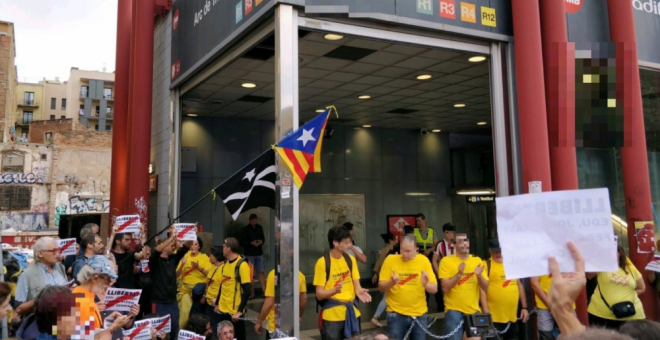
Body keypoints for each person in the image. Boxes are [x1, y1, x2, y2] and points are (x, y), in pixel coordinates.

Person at [314, 226, 372, 340]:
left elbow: (357, 285)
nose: (349, 245)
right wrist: (334, 291)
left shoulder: (350, 259)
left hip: (352, 313)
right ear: (335, 243)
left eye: (350, 242)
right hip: (332, 317)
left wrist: (360, 291)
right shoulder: (322, 263)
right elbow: (319, 294)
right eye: (346, 243)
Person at [378, 236, 437, 340]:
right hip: (395, 313)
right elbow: (381, 287)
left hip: (419, 314)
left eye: (408, 251)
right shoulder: (390, 260)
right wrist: (392, 282)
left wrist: (425, 284)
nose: (404, 254)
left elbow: (434, 289)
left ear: (416, 249)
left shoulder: (424, 261)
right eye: (402, 250)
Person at [438, 233, 487, 340]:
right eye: (460, 241)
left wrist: (479, 276)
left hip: (473, 310)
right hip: (453, 310)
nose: (464, 243)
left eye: (466, 240)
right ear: (454, 245)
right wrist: (459, 274)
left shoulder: (477, 261)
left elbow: (486, 288)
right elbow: (445, 288)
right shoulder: (446, 261)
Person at [74, 255, 140, 333]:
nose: (109, 284)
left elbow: (94, 330)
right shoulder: (81, 301)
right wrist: (113, 327)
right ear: (95, 278)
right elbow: (87, 336)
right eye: (107, 279)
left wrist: (108, 320)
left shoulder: (86, 297)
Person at [587, 245, 645, 329]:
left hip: (631, 314)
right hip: (601, 314)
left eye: (612, 251)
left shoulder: (630, 267)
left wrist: (624, 297)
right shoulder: (602, 265)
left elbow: (641, 287)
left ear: (619, 253)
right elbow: (589, 275)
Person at [481, 239, 529, 340]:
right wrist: (485, 311)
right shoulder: (486, 265)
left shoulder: (512, 264)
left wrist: (524, 307)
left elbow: (519, 285)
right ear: (490, 251)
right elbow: (482, 289)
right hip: (493, 318)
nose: (498, 254)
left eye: (500, 251)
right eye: (495, 251)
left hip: (512, 317)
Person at [151, 225, 191, 340]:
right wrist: (171, 237)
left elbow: (186, 247)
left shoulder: (173, 258)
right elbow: (157, 250)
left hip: (172, 302)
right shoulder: (155, 260)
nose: (173, 247)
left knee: (174, 329)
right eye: (171, 245)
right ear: (164, 246)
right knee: (159, 333)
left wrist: (191, 234)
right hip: (159, 302)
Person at [15, 237, 69, 318]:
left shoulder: (60, 267)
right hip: (41, 324)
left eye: (58, 250)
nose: (58, 254)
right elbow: (19, 309)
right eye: (53, 251)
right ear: (40, 254)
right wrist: (41, 299)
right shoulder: (27, 275)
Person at [214, 237, 252, 340]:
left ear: (228, 248)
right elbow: (222, 286)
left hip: (234, 314)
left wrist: (239, 311)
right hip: (223, 311)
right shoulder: (225, 264)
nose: (222, 248)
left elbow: (247, 290)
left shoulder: (242, 265)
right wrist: (217, 303)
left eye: (223, 246)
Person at [254, 268, 307, 338]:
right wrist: (299, 316)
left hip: (275, 326)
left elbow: (269, 302)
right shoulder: (299, 275)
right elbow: (303, 299)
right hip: (292, 326)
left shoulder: (273, 275)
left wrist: (259, 322)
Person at [177, 237, 212, 328]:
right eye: (191, 244)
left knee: (197, 318)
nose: (193, 247)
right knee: (184, 315)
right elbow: (177, 274)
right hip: (185, 291)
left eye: (195, 244)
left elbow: (209, 274)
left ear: (199, 246)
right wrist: (182, 265)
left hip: (198, 293)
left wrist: (198, 268)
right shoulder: (185, 256)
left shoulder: (204, 258)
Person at [370, 232, 397, 327]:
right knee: (386, 298)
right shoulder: (392, 250)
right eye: (395, 239)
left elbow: (379, 262)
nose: (397, 241)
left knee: (387, 298)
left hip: (387, 276)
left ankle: (377, 316)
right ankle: (375, 317)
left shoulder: (384, 249)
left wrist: (376, 273)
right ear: (391, 240)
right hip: (391, 277)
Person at [431, 223, 456, 312]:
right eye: (450, 232)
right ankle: (445, 311)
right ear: (445, 233)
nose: (452, 234)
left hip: (456, 273)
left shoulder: (458, 243)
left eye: (453, 232)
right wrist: (439, 274)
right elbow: (434, 261)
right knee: (444, 294)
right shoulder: (440, 244)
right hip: (444, 273)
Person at [240, 213, 266, 296]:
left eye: (255, 222)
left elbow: (263, 238)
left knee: (261, 272)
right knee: (251, 274)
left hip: (259, 252)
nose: (253, 223)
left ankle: (264, 291)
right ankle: (251, 293)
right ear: (249, 221)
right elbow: (242, 242)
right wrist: (251, 243)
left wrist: (261, 242)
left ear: (256, 220)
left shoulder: (260, 228)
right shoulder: (245, 229)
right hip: (250, 253)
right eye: (252, 222)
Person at [204, 245, 225, 336]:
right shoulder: (212, 267)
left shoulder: (224, 269)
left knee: (217, 328)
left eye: (211, 254)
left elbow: (224, 287)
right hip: (209, 302)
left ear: (216, 256)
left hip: (217, 304)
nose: (209, 256)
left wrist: (218, 302)